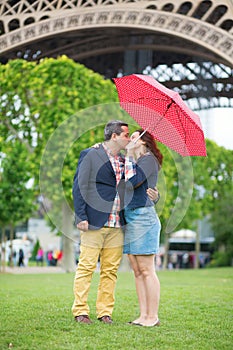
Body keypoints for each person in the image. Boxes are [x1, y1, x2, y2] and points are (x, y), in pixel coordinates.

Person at [71, 120, 158, 325]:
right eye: (126, 135)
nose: (129, 139)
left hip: (118, 224)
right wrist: (81, 216)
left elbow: (140, 185)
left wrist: (155, 195)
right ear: (114, 136)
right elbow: (79, 185)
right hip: (94, 221)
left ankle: (104, 312)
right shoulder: (90, 154)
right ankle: (81, 311)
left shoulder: (124, 160)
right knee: (86, 268)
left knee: (110, 271)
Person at [124, 129, 163, 327]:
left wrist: (129, 156)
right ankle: (143, 315)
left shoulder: (148, 159)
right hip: (131, 216)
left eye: (134, 137)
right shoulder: (138, 161)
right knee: (137, 271)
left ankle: (152, 316)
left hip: (143, 218)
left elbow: (132, 183)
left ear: (144, 141)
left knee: (147, 270)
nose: (130, 139)